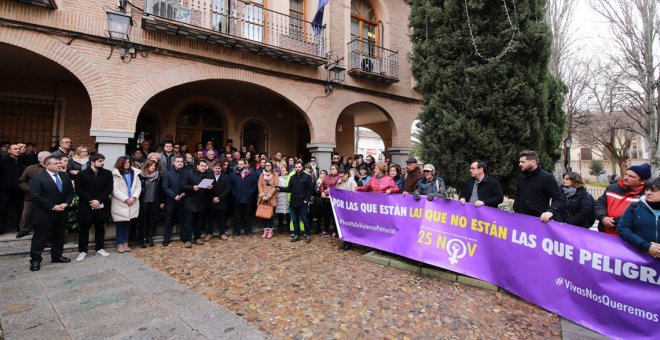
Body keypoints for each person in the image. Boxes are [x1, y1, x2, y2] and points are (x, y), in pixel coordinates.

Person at [28, 155, 73, 271]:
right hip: (44, 213)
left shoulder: (65, 176)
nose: (59, 165)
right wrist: (53, 206)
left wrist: (66, 203)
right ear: (46, 165)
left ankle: (57, 256)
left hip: (61, 212)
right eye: (56, 163)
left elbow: (70, 193)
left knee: (59, 236)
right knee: (40, 238)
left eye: (59, 163)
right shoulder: (37, 177)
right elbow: (35, 196)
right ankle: (35, 260)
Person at [74, 153, 113, 261]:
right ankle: (82, 251)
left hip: (101, 204)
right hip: (86, 205)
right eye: (100, 161)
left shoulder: (107, 173)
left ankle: (99, 248)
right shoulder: (82, 174)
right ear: (92, 162)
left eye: (103, 161)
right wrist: (91, 201)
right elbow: (79, 189)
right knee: (84, 228)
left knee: (100, 227)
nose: (102, 163)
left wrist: (98, 200)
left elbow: (109, 188)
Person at [595, 163, 650, 236]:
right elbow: (600, 204)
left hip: (629, 238)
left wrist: (614, 221)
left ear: (642, 181)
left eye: (631, 176)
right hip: (605, 234)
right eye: (626, 174)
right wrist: (603, 217)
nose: (626, 178)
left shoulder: (647, 195)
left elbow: (640, 216)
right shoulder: (612, 188)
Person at [513, 150, 565, 222]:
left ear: (533, 162)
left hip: (538, 220)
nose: (520, 164)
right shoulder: (521, 177)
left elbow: (559, 199)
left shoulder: (547, 178)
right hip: (520, 218)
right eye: (520, 162)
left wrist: (550, 211)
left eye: (523, 162)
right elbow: (518, 195)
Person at [617, 176, 660, 259]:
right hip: (640, 259)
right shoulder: (635, 207)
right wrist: (646, 246)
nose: (648, 193)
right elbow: (622, 228)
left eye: (653, 190)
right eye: (646, 189)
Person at [276, 161, 314, 243]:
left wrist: (306, 200)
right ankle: (297, 235)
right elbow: (289, 189)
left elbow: (310, 190)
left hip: (303, 202)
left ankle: (308, 235)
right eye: (296, 167)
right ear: (294, 168)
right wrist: (280, 188)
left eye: (299, 167)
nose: (298, 168)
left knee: (304, 219)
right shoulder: (292, 177)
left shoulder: (307, 177)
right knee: (295, 220)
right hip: (293, 202)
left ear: (302, 167)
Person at [16, 151, 51, 238]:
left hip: (48, 197)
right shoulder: (31, 168)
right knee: (27, 214)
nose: (51, 158)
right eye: (48, 156)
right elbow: (21, 181)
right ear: (40, 159)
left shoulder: (53, 167)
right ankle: (24, 230)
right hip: (31, 196)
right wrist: (30, 190)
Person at [111, 156, 142, 253]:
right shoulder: (115, 174)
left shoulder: (135, 173)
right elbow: (115, 190)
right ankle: (119, 243)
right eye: (125, 163)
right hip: (120, 202)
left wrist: (133, 197)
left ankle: (125, 242)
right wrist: (125, 199)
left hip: (132, 201)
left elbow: (138, 187)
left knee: (128, 224)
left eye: (128, 162)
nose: (127, 164)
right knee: (120, 224)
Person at [181, 159, 213, 248]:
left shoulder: (208, 175)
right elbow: (182, 186)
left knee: (199, 222)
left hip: (202, 201)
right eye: (201, 166)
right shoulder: (189, 174)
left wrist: (210, 187)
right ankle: (187, 240)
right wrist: (192, 187)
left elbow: (209, 188)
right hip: (190, 201)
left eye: (205, 166)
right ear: (197, 166)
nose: (203, 167)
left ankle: (197, 238)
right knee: (188, 222)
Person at [0, 144, 26, 235]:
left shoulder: (24, 162)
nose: (18, 150)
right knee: (2, 209)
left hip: (20, 191)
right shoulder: (3, 161)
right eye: (15, 149)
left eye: (19, 149)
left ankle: (20, 229)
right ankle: (1, 229)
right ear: (9, 151)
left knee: (20, 210)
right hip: (5, 191)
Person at [229, 159, 258, 236]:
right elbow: (230, 185)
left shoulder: (251, 174)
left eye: (241, 164)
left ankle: (248, 230)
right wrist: (234, 193)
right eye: (238, 164)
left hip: (248, 198)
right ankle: (236, 231)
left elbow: (255, 184)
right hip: (236, 198)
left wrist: (251, 193)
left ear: (245, 165)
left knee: (247, 215)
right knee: (237, 216)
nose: (239, 166)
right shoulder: (233, 174)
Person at [161, 155, 186, 246]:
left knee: (182, 219)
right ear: (174, 163)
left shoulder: (185, 173)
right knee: (169, 220)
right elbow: (165, 187)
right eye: (178, 161)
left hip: (183, 200)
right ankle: (166, 238)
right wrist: (174, 196)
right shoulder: (167, 174)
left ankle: (184, 237)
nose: (179, 163)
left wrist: (184, 194)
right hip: (171, 201)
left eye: (181, 161)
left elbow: (187, 185)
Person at [138, 160, 163, 248]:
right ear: (147, 166)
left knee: (152, 220)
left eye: (154, 165)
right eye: (151, 165)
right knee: (143, 220)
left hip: (154, 200)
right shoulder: (141, 176)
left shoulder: (158, 176)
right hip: (143, 201)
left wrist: (162, 201)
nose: (153, 167)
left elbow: (161, 189)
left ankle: (150, 237)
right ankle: (143, 238)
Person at [208, 163, 231, 241]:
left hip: (222, 200)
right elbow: (206, 190)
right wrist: (213, 198)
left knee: (222, 218)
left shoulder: (226, 177)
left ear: (221, 169)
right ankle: (209, 233)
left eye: (219, 168)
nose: (217, 169)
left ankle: (222, 233)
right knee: (210, 218)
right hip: (211, 201)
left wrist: (219, 198)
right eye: (216, 168)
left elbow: (227, 189)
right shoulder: (209, 177)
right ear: (213, 168)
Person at [257, 161, 279, 239]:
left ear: (272, 166)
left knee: (270, 215)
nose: (267, 166)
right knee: (264, 215)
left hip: (271, 198)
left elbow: (276, 186)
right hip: (263, 198)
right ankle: (265, 230)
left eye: (269, 165)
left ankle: (270, 230)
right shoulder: (261, 175)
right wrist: (262, 194)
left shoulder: (275, 175)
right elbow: (259, 184)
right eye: (266, 165)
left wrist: (269, 195)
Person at [319, 164, 340, 238]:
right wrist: (322, 192)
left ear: (337, 169)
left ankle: (335, 231)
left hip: (333, 200)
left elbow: (336, 187)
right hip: (326, 200)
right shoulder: (327, 176)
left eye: (334, 168)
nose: (332, 170)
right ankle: (326, 230)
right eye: (331, 169)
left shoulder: (339, 177)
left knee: (334, 217)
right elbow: (322, 185)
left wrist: (327, 192)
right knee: (326, 216)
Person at [275, 166, 290, 231]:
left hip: (288, 196)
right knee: (280, 212)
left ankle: (289, 226)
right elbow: (276, 187)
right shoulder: (278, 178)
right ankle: (280, 226)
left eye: (284, 170)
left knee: (289, 212)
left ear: (287, 171)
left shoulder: (290, 178)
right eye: (281, 170)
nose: (282, 171)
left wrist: (281, 188)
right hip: (280, 197)